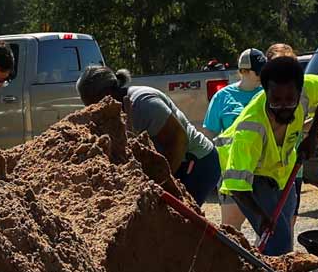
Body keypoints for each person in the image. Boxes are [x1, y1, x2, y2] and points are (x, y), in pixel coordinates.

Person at [215, 55, 318, 256]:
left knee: (283, 230)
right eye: (276, 100)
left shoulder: (310, 89)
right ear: (266, 93)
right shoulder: (250, 129)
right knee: (277, 240)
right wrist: (260, 216)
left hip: (281, 171)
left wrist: (312, 135)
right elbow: (238, 188)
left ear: (300, 91)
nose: (284, 107)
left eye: (290, 100)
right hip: (249, 176)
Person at [78, 66, 221, 205]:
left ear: (108, 93)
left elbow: (179, 141)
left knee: (180, 220)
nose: (93, 110)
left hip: (197, 162)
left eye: (93, 104)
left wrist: (162, 182)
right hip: (170, 161)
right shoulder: (113, 112)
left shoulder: (144, 103)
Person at [208, 50, 272, 230]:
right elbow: (211, 134)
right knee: (230, 230)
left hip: (262, 172)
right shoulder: (222, 97)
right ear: (243, 71)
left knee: (265, 229)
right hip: (232, 175)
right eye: (258, 71)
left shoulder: (268, 94)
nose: (262, 75)